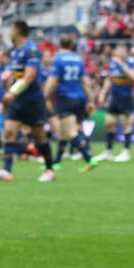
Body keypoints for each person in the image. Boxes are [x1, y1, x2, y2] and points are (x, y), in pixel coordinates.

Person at [0, 20, 55, 182]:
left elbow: (30, 76)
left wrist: (12, 92)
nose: (9, 33)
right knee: (9, 131)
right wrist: (8, 91)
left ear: (17, 30)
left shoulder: (31, 49)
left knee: (40, 136)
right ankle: (6, 170)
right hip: (18, 100)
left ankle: (49, 169)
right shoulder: (15, 52)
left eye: (11, 29)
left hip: (32, 99)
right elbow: (16, 75)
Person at [44, 34, 95, 172]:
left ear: (59, 44)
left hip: (65, 97)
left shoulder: (58, 59)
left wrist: (45, 95)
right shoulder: (78, 59)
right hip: (80, 98)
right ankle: (56, 162)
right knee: (62, 131)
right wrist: (91, 100)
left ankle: (89, 158)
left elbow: (53, 80)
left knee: (70, 131)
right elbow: (85, 81)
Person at [95, 44, 134, 162]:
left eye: (119, 50)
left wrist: (122, 64)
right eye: (117, 49)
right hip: (114, 97)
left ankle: (126, 152)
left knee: (126, 124)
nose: (117, 52)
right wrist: (103, 92)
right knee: (109, 123)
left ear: (125, 51)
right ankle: (108, 151)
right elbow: (110, 78)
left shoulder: (130, 62)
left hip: (125, 98)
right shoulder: (113, 63)